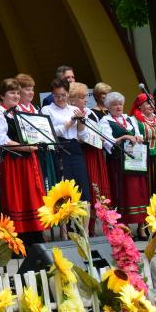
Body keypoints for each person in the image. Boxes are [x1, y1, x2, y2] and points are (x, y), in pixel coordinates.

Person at [0, 78, 46, 246]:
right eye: (11, 92)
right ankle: (17, 239)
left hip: (28, 160)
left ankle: (34, 236)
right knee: (17, 197)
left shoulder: (19, 112)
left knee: (31, 196)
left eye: (17, 92)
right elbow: (0, 139)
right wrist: (24, 147)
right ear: (2, 95)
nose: (15, 95)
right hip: (13, 163)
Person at [101, 92, 149, 238]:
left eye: (120, 104)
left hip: (135, 160)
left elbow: (139, 135)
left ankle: (141, 227)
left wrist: (139, 138)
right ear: (108, 107)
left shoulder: (129, 119)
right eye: (115, 104)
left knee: (140, 193)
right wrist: (124, 137)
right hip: (118, 163)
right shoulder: (105, 121)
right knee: (123, 194)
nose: (118, 106)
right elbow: (106, 141)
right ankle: (124, 227)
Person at [68, 82, 111, 235]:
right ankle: (81, 227)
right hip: (83, 153)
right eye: (82, 97)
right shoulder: (71, 112)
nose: (85, 100)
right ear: (72, 100)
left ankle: (93, 227)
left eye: (85, 97)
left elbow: (98, 131)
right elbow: (77, 136)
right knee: (84, 191)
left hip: (95, 153)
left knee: (97, 190)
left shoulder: (90, 113)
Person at [42, 78, 92, 205]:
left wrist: (80, 121)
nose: (60, 99)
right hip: (58, 148)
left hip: (74, 147)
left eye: (63, 95)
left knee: (81, 185)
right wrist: (69, 123)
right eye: (56, 96)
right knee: (62, 187)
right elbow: (50, 133)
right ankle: (64, 224)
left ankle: (83, 225)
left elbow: (82, 135)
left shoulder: (73, 109)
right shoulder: (47, 109)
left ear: (68, 94)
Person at [16, 73, 55, 192]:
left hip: (42, 151)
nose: (31, 92)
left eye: (32, 89)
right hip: (27, 154)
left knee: (47, 183)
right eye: (27, 89)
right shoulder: (15, 109)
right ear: (19, 91)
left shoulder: (36, 109)